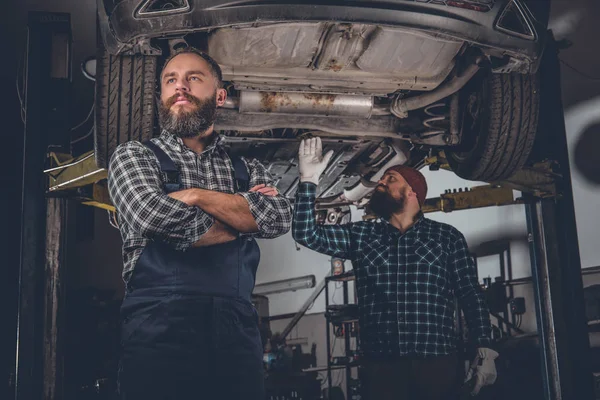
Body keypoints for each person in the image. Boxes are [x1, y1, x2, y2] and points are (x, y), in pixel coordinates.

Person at [107, 47, 292, 400]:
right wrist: (243, 215)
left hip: (236, 337)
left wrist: (194, 196)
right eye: (171, 80)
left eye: (193, 78)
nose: (181, 87)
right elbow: (150, 215)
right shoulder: (134, 155)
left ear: (219, 96)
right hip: (158, 332)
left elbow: (280, 217)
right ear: (161, 94)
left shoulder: (247, 167)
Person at [292, 137, 498, 400]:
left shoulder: (446, 238)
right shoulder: (363, 235)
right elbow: (305, 233)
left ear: (412, 191)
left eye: (390, 179)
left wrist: (485, 349)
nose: (380, 182)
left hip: (437, 367)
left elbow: (470, 294)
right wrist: (308, 181)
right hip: (381, 370)